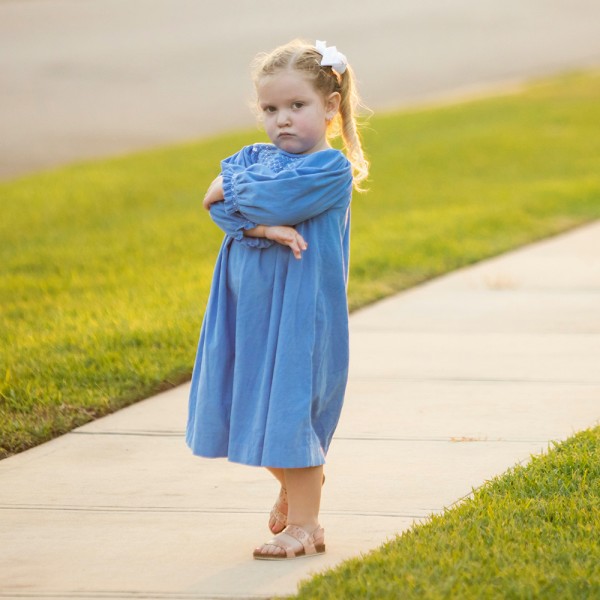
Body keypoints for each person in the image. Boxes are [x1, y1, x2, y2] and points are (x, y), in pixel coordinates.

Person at [186, 39, 369, 560]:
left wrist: (243, 200)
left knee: (290, 410)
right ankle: (297, 486)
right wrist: (265, 227)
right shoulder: (257, 157)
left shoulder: (329, 170)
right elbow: (215, 206)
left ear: (330, 108)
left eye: (297, 106)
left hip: (301, 313)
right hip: (250, 309)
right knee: (249, 406)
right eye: (270, 110)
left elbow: (245, 194)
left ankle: (305, 526)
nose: (282, 120)